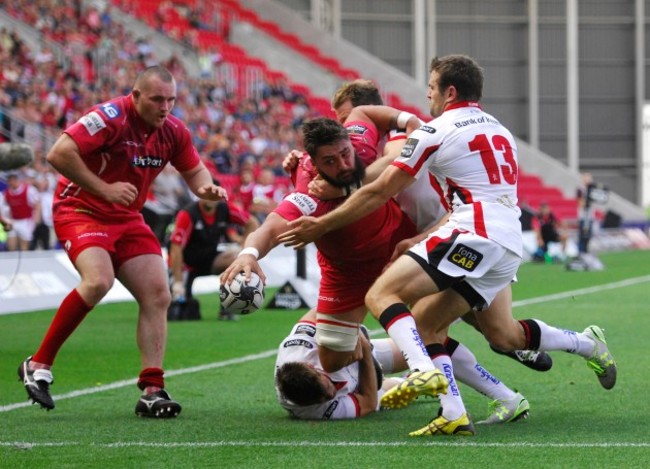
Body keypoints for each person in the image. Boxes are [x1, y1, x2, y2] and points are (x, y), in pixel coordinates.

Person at [279, 55, 617, 436]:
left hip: (470, 233)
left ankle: (423, 372)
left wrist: (323, 218)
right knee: (486, 332)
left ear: (449, 91)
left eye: (431, 87)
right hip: (506, 239)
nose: (426, 95)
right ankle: (584, 345)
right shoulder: (500, 129)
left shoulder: (431, 132)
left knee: (382, 294)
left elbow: (379, 189)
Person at [17, 65, 228, 418]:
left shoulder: (174, 130)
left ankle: (152, 389)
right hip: (81, 210)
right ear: (136, 96)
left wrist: (205, 187)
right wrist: (104, 189)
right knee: (98, 281)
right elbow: (58, 153)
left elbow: (194, 171)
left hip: (127, 217)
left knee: (158, 293)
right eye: (157, 99)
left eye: (171, 100)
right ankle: (38, 365)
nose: (165, 107)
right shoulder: (110, 117)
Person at [222, 114, 420, 375]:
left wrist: (405, 119)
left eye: (345, 154)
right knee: (333, 360)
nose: (344, 164)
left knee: (438, 324)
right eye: (330, 161)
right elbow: (270, 229)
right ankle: (380, 365)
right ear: (314, 163)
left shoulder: (357, 140)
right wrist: (248, 254)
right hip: (346, 273)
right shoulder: (308, 195)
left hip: (400, 247)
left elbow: (365, 111)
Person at [276, 310, 529, 423]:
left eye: (329, 385)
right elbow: (365, 402)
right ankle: (505, 341)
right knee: (384, 396)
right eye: (328, 396)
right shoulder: (311, 410)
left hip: (351, 352)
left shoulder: (300, 345)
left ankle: (504, 341)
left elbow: (326, 309)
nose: (333, 390)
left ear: (316, 369)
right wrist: (363, 349)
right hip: (364, 373)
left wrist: (348, 332)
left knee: (429, 337)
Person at [168, 197, 259, 320]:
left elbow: (252, 223)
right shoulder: (188, 213)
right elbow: (176, 248)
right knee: (180, 312)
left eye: (213, 195)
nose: (210, 198)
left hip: (210, 259)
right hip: (185, 263)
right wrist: (178, 282)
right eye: (207, 195)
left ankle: (228, 306)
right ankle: (179, 293)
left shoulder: (225, 208)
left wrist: (244, 248)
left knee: (237, 259)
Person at [0, 171, 41, 251]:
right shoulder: (5, 194)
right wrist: (4, 223)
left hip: (26, 221)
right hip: (13, 221)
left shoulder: (29, 190)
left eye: (12, 180)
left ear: (16, 180)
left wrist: (37, 218)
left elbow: (37, 204)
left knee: (24, 247)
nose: (10, 183)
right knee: (11, 245)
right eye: (9, 180)